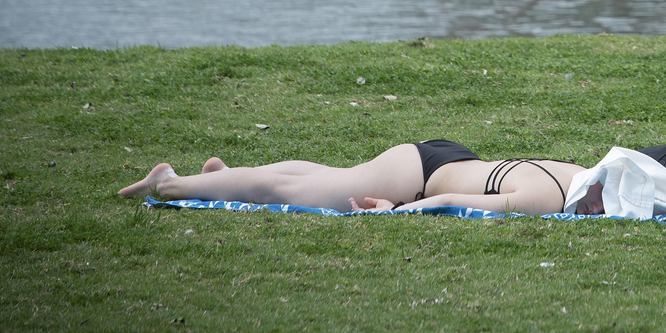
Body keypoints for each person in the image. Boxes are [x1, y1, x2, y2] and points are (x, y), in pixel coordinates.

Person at [118, 139, 600, 216]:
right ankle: (171, 183)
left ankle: (224, 177)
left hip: (435, 160)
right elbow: (451, 202)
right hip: (419, 177)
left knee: (327, 178)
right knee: (294, 193)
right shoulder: (548, 199)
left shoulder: (583, 173)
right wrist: (398, 211)